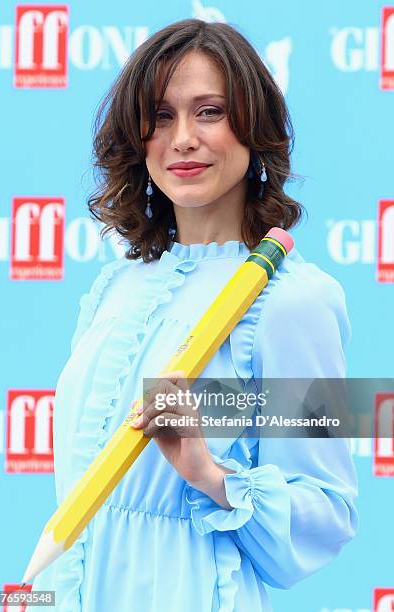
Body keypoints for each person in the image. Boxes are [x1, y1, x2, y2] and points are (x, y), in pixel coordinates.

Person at [31, 18, 358, 612]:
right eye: (160, 116)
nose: (182, 138)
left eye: (209, 112)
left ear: (253, 129)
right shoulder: (113, 287)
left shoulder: (295, 302)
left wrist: (210, 473)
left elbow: (327, 510)